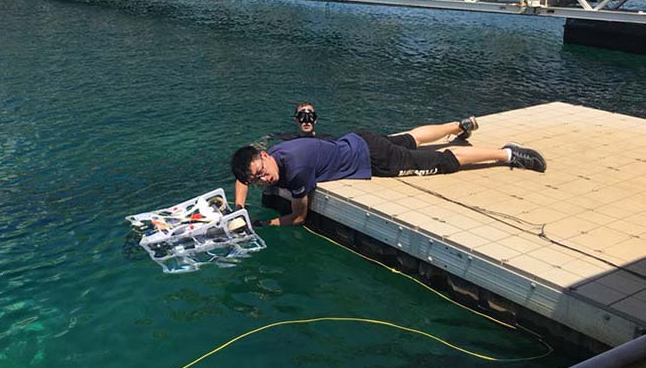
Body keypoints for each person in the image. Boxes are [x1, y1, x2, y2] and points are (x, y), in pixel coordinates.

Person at [231, 117, 546, 227]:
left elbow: (299, 218)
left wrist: (261, 223)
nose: (264, 179)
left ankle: (507, 154)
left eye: (261, 172)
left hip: (376, 160)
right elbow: (241, 175)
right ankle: (459, 126)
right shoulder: (275, 153)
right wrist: (238, 208)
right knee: (411, 139)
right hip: (358, 138)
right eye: (257, 180)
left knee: (440, 161)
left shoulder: (296, 172)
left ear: (263, 155)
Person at [233, 102, 326, 212]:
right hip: (275, 184)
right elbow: (247, 169)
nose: (306, 120)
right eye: (302, 116)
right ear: (296, 119)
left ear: (315, 119)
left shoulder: (325, 142)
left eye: (310, 116)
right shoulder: (282, 139)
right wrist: (239, 208)